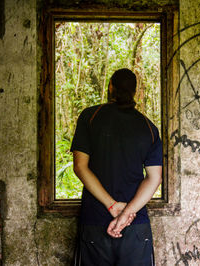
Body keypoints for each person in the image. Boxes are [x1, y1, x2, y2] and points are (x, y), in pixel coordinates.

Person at [71, 68, 163, 265]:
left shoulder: (90, 117)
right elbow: (155, 178)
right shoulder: (148, 128)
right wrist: (127, 213)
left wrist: (112, 206)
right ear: (135, 92)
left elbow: (80, 167)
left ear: (110, 87)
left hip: (96, 221)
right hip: (135, 224)